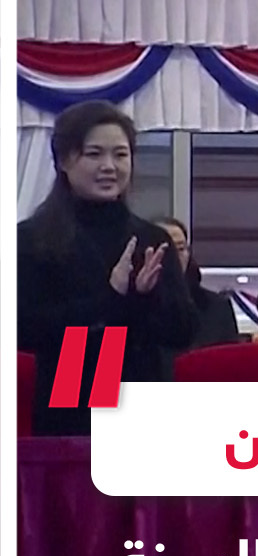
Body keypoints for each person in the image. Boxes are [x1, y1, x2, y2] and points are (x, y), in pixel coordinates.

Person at [16, 100, 197, 435]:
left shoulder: (152, 238)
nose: (109, 166)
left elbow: (182, 331)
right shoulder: (32, 239)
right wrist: (110, 300)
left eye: (121, 154)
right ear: (64, 161)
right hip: (71, 396)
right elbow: (24, 329)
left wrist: (145, 298)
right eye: (94, 154)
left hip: (144, 395)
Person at [155, 217, 243, 352]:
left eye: (180, 248)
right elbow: (116, 362)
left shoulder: (217, 307)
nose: (174, 257)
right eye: (166, 249)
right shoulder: (126, 306)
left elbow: (230, 362)